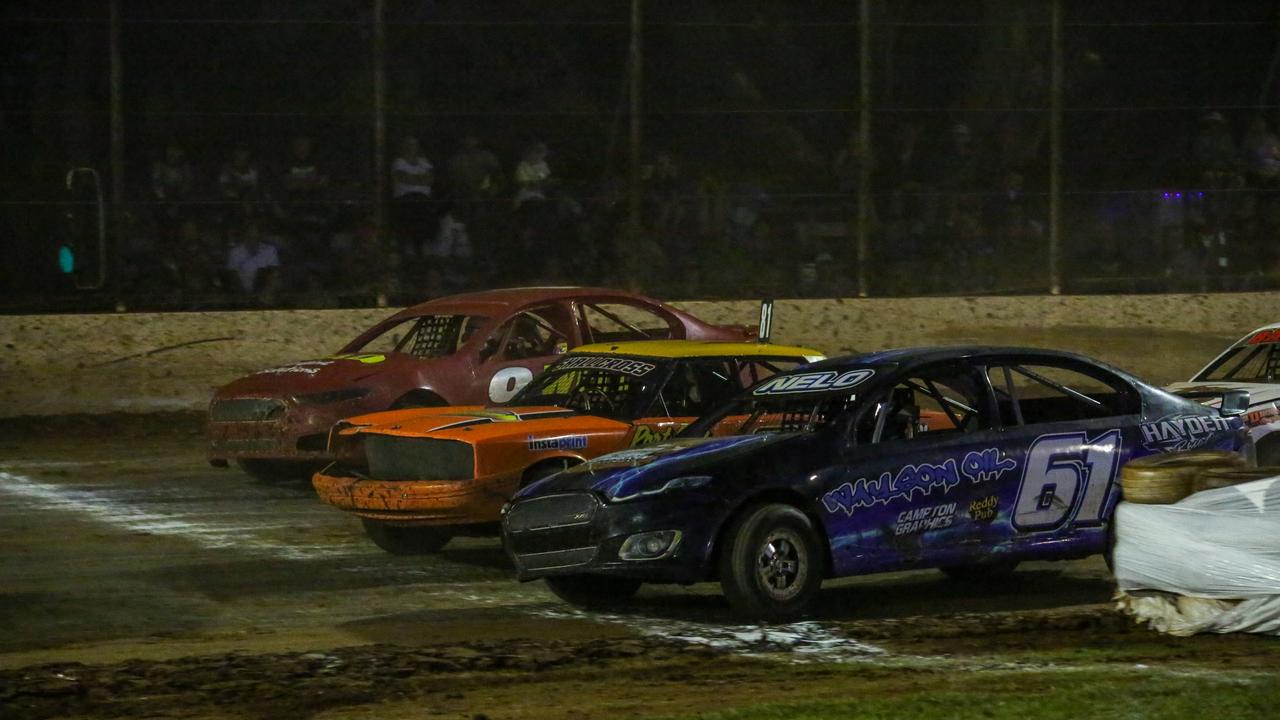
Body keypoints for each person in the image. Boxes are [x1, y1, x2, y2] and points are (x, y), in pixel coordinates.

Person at [389, 136, 435, 257]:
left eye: (414, 145)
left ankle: (421, 250)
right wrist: (420, 178)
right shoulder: (399, 161)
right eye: (409, 144)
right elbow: (403, 178)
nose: (412, 147)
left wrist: (414, 178)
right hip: (405, 198)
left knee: (423, 225)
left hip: (423, 199)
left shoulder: (423, 161)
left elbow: (430, 179)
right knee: (407, 226)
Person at [226, 221, 281, 297]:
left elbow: (275, 273)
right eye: (249, 234)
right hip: (242, 293)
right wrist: (243, 293)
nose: (252, 237)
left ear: (260, 235)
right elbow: (232, 276)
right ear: (245, 234)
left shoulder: (270, 250)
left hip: (265, 292)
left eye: (255, 234)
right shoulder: (235, 252)